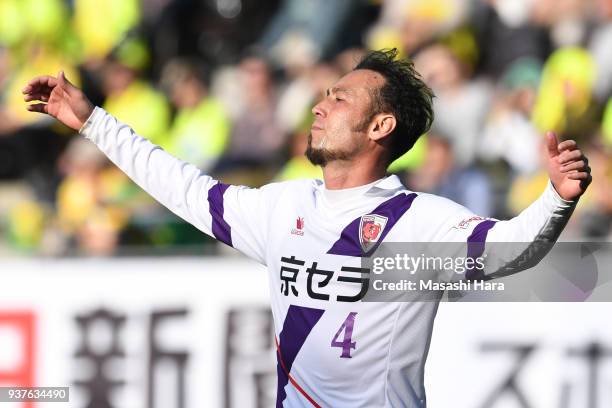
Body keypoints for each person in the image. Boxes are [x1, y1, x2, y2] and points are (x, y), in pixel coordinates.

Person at [22, 49, 591, 408]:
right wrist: (94, 122)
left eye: (340, 99)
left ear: (380, 125)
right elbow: (183, 187)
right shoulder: (282, 206)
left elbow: (510, 250)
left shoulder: (420, 222)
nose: (320, 108)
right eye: (324, 96)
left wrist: (556, 200)